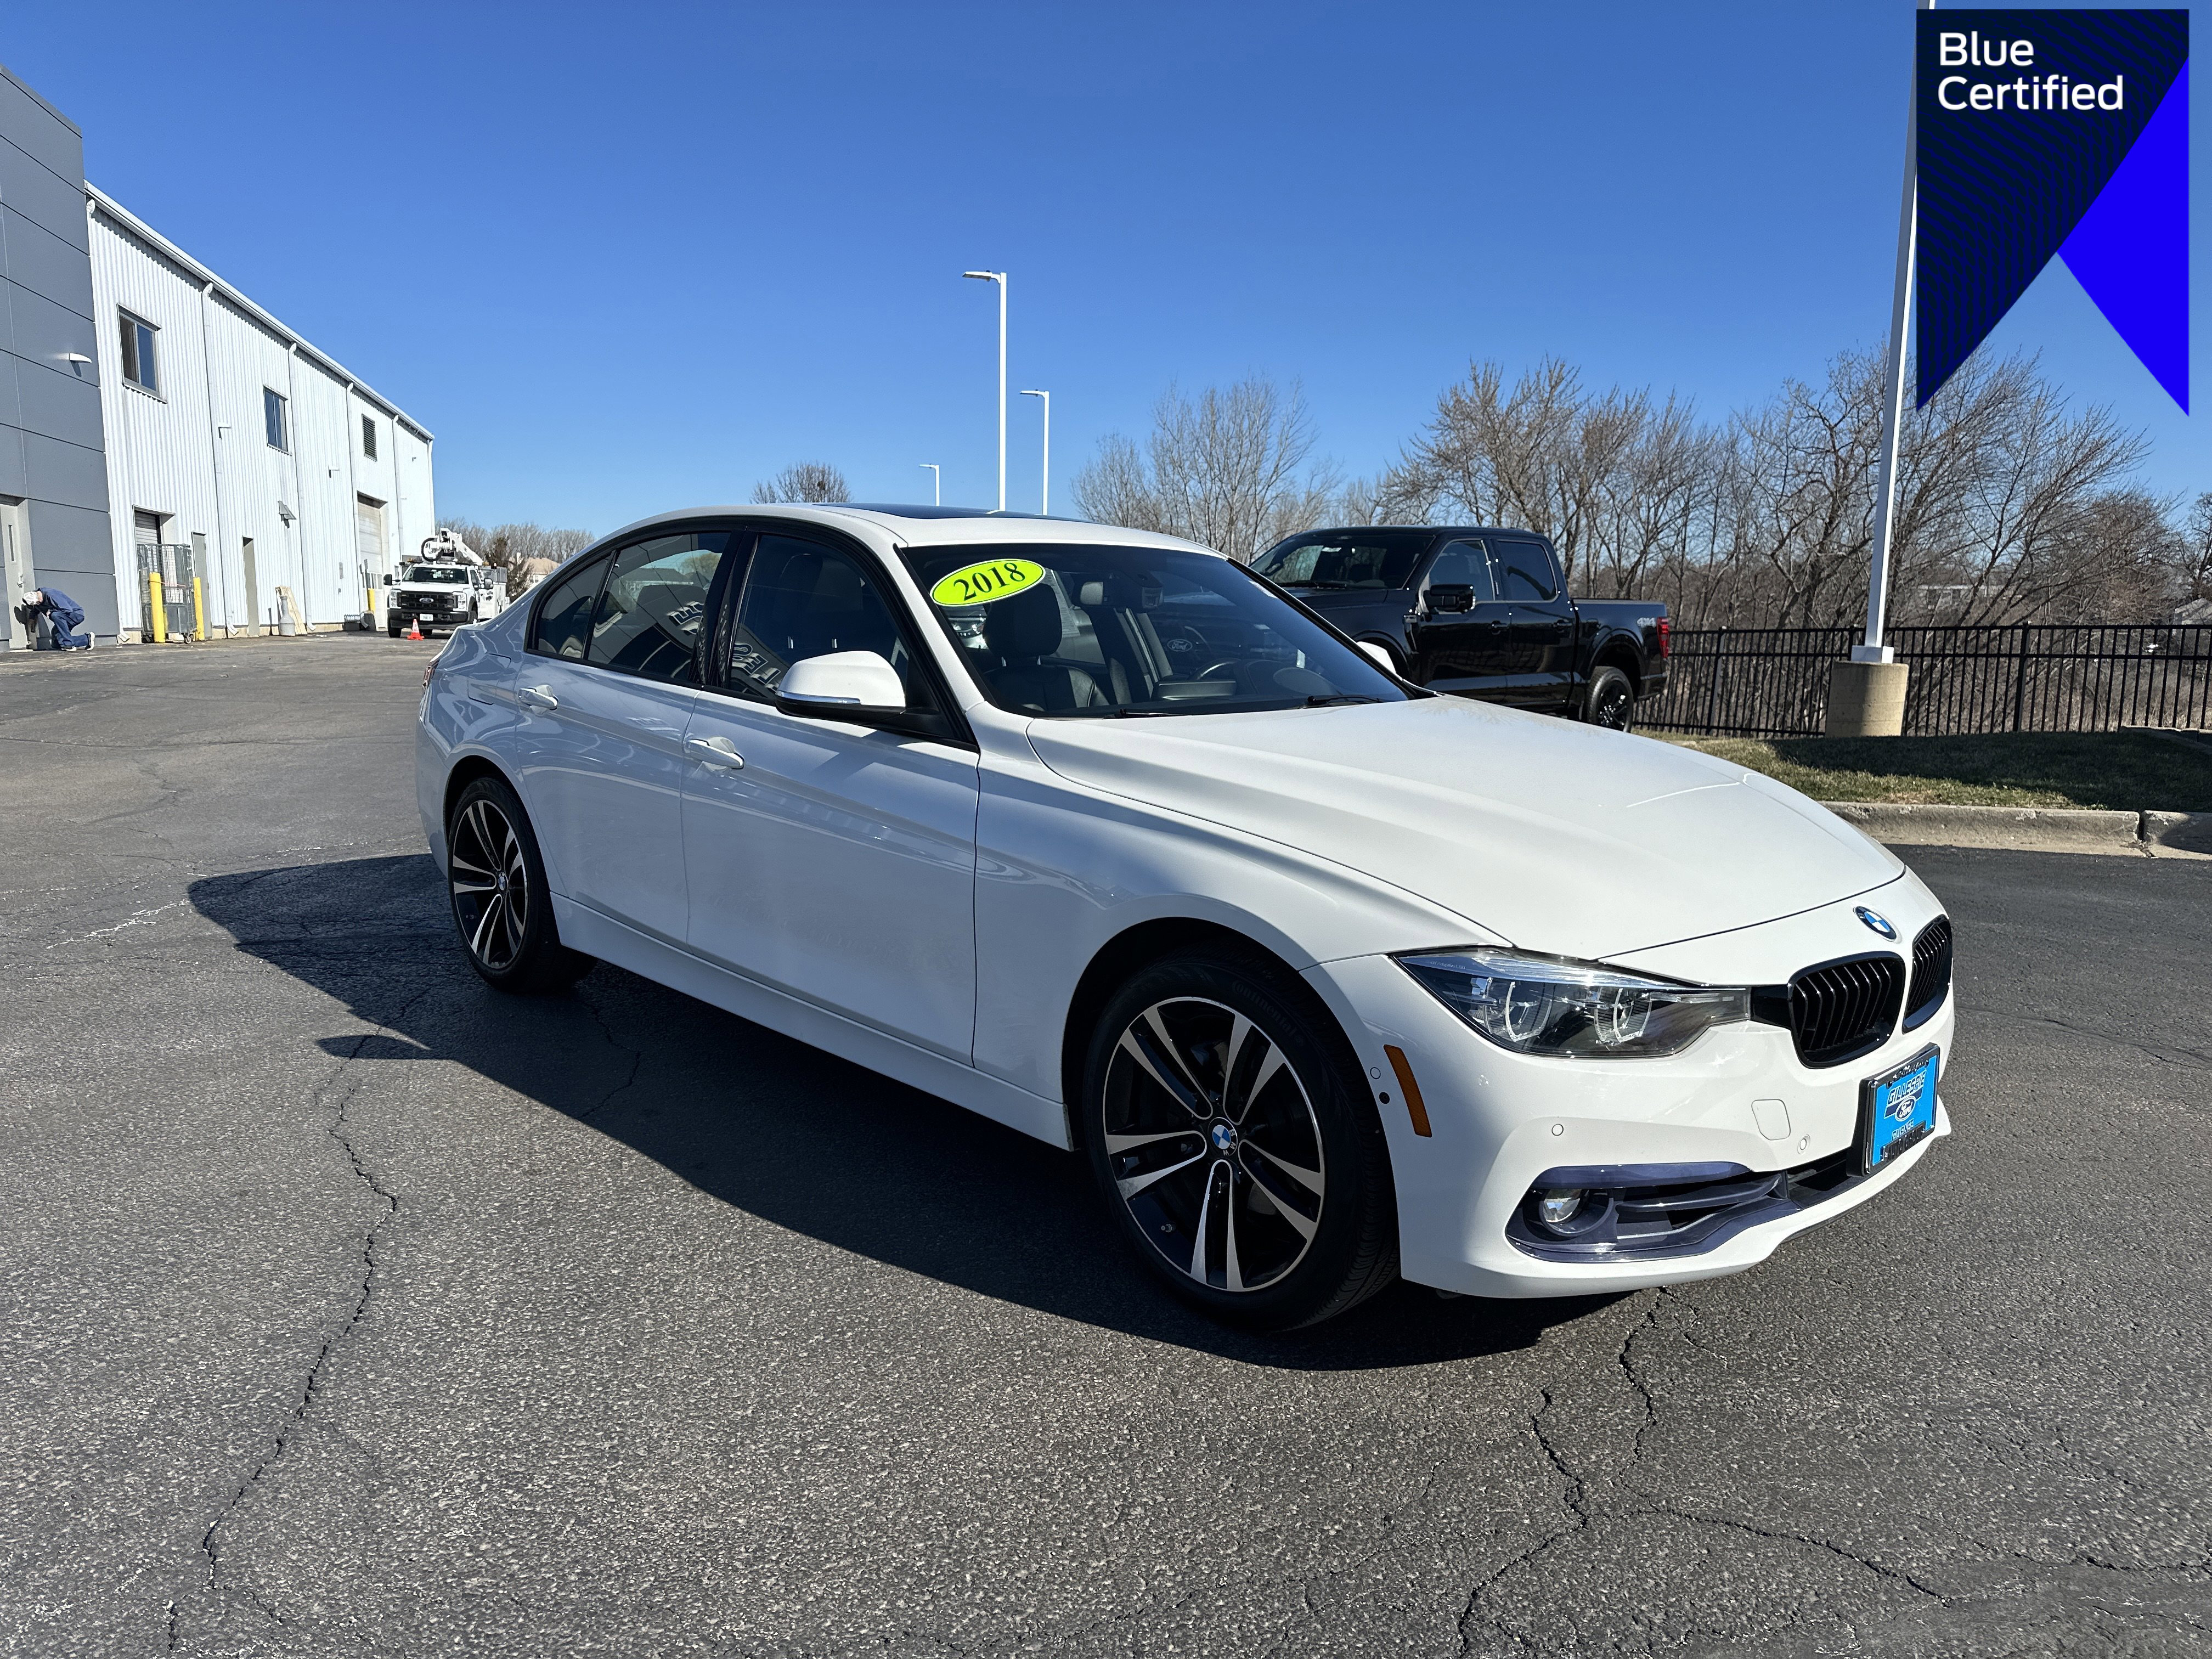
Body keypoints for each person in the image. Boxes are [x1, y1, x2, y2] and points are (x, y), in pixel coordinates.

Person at [17, 588, 91, 649]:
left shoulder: (52, 595)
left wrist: (51, 611)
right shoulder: (38, 601)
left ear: (37, 594)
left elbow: (67, 609)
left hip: (76, 615)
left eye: (38, 602)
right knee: (56, 641)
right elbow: (36, 609)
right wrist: (32, 619)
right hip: (64, 617)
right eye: (37, 603)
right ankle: (87, 639)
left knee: (55, 615)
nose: (39, 603)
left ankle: (69, 645)